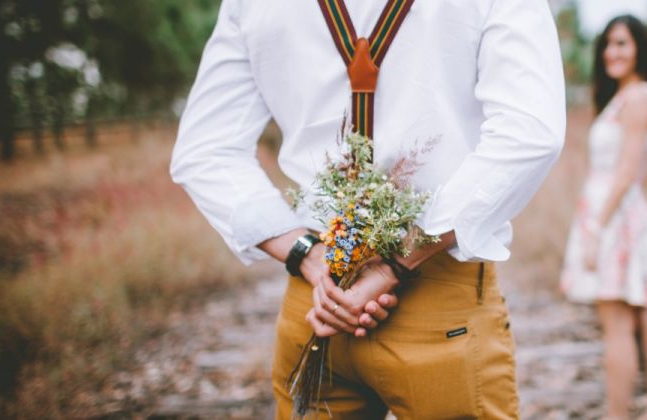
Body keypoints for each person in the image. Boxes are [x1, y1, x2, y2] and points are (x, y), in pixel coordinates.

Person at [170, 0, 565, 418]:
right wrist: (394, 261)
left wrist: (309, 254)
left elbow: (205, 151)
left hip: (319, 304)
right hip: (437, 301)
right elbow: (531, 133)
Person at [558, 14, 647, 420]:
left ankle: (621, 415)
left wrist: (596, 228)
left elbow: (627, 172)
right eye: (608, 45)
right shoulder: (630, 96)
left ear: (639, 49)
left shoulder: (638, 98)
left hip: (615, 219)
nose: (612, 52)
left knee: (618, 325)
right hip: (622, 214)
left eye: (622, 44)